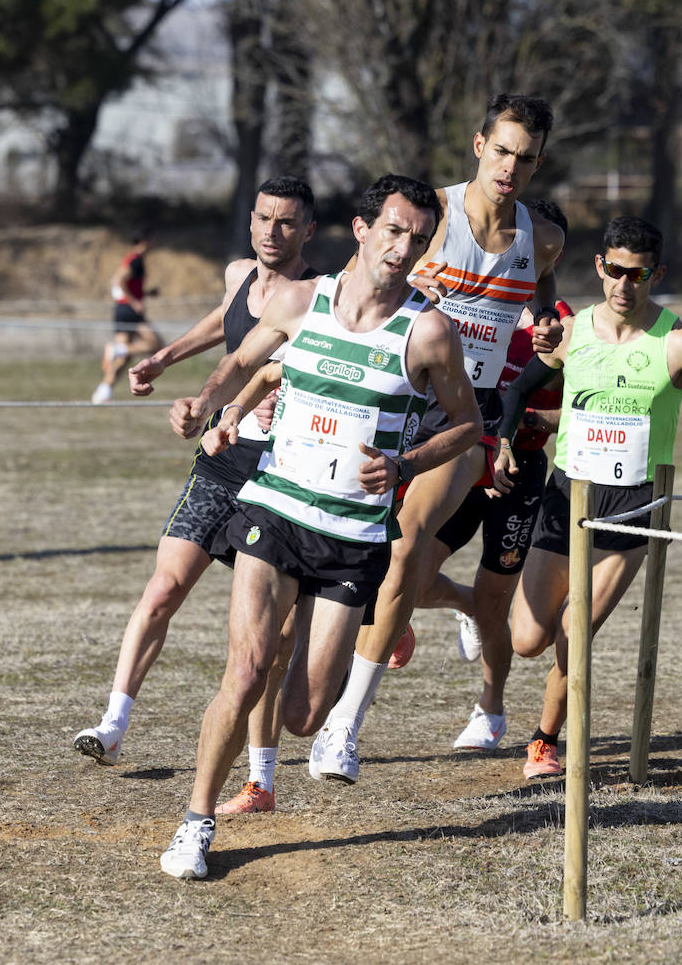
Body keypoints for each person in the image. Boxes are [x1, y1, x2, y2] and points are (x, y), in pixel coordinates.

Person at [158, 174, 483, 879]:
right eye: (394, 231)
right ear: (362, 229)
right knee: (244, 671)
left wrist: (403, 464)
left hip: (352, 536)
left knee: (304, 713)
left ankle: (342, 660)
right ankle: (195, 821)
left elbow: (468, 426)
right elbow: (245, 360)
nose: (404, 248)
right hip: (275, 509)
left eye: (419, 239)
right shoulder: (300, 300)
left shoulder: (427, 331)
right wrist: (206, 408)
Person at [308, 94, 565, 782]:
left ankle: (343, 727)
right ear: (480, 144)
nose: (512, 167)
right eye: (503, 150)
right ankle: (311, 703)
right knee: (357, 554)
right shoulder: (436, 216)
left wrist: (541, 329)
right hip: (390, 393)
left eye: (528, 157)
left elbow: (541, 301)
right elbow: (362, 281)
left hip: (463, 413)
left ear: (540, 162)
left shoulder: (543, 237)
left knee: (405, 546)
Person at [74, 177, 320, 821]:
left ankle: (261, 779)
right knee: (163, 587)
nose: (273, 231)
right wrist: (163, 360)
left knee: (272, 637)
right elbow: (225, 325)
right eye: (264, 218)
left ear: (308, 231)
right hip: (223, 458)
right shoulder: (240, 272)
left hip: (283, 470)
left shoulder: (320, 297)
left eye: (287, 222)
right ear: (251, 220)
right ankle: (113, 725)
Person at [501, 215, 682, 779]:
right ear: (600, 268)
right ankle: (543, 708)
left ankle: (545, 741)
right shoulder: (574, 335)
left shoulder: (679, 343)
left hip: (634, 508)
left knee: (576, 631)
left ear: (656, 275)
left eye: (638, 275)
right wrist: (503, 440)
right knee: (526, 638)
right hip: (566, 496)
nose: (625, 286)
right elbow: (520, 390)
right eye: (616, 272)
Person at [413, 199, 573, 751]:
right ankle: (460, 606)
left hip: (519, 471)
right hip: (463, 459)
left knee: (494, 603)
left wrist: (524, 420)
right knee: (408, 575)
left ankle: (491, 709)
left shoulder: (563, 327)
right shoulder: (477, 303)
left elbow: (579, 410)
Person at [93, 229, 163, 404]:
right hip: (128, 311)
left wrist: (146, 294)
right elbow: (118, 281)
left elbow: (123, 284)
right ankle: (117, 349)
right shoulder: (136, 260)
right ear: (144, 240)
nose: (154, 243)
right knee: (156, 344)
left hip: (122, 309)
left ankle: (103, 391)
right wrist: (134, 302)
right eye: (152, 239)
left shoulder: (132, 258)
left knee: (124, 358)